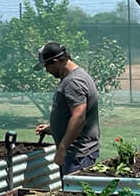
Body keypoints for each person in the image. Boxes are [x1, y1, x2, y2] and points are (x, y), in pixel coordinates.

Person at [33, 41, 100, 175]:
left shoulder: (73, 82)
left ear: (56, 61)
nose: (47, 71)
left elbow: (79, 117)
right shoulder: (77, 76)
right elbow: (71, 114)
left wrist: (62, 148)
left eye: (47, 66)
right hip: (79, 153)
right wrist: (53, 128)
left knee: (74, 193)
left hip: (76, 155)